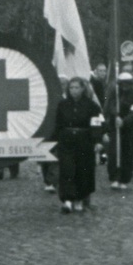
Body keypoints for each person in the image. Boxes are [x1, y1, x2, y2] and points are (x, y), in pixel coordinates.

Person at [53, 77, 102, 213]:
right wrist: (56, 140)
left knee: (82, 169)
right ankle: (67, 200)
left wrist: (97, 140)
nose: (74, 90)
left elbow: (96, 124)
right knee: (67, 168)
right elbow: (58, 124)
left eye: (76, 87)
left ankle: (80, 198)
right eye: (71, 88)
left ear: (82, 89)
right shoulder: (62, 105)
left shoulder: (92, 106)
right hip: (66, 140)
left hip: (84, 140)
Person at [104, 72, 133, 190]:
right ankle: (115, 177)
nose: (124, 86)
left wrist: (124, 121)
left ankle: (125, 178)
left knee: (127, 153)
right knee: (114, 153)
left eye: (127, 84)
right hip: (115, 126)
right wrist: (116, 115)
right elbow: (109, 105)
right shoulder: (114, 93)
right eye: (122, 84)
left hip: (129, 128)